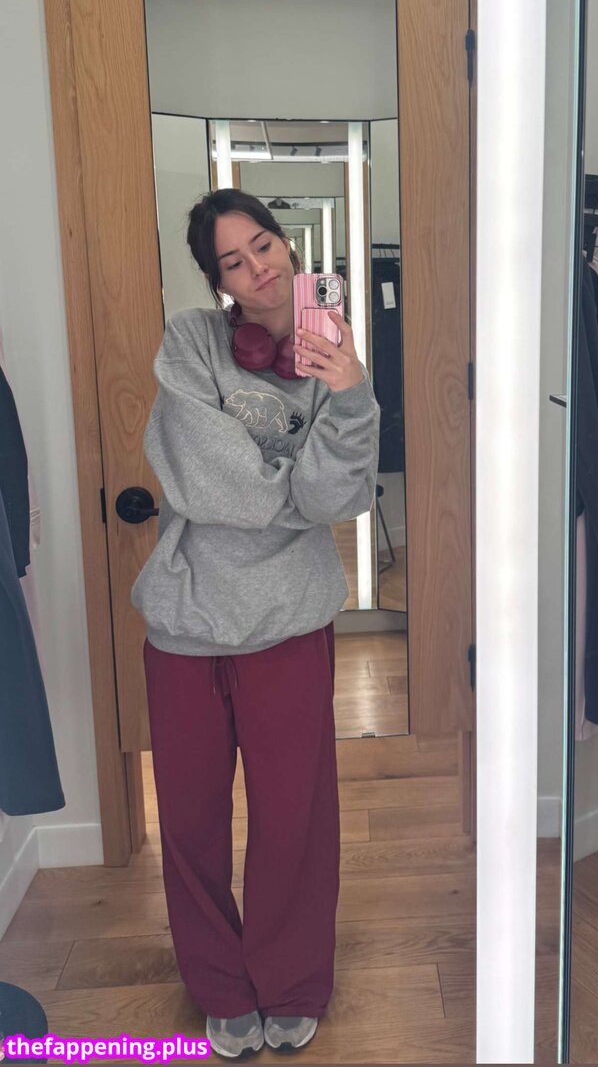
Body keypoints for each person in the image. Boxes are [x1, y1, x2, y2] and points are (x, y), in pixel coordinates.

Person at [131, 188, 381, 1059]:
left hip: (290, 623)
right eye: (232, 263)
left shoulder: (331, 355)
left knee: (294, 817)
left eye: (263, 246)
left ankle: (292, 980)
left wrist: (350, 395)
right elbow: (203, 478)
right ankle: (219, 985)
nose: (257, 270)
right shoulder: (193, 344)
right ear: (219, 284)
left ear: (288, 245)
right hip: (186, 624)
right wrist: (294, 495)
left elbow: (340, 497)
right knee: (189, 820)